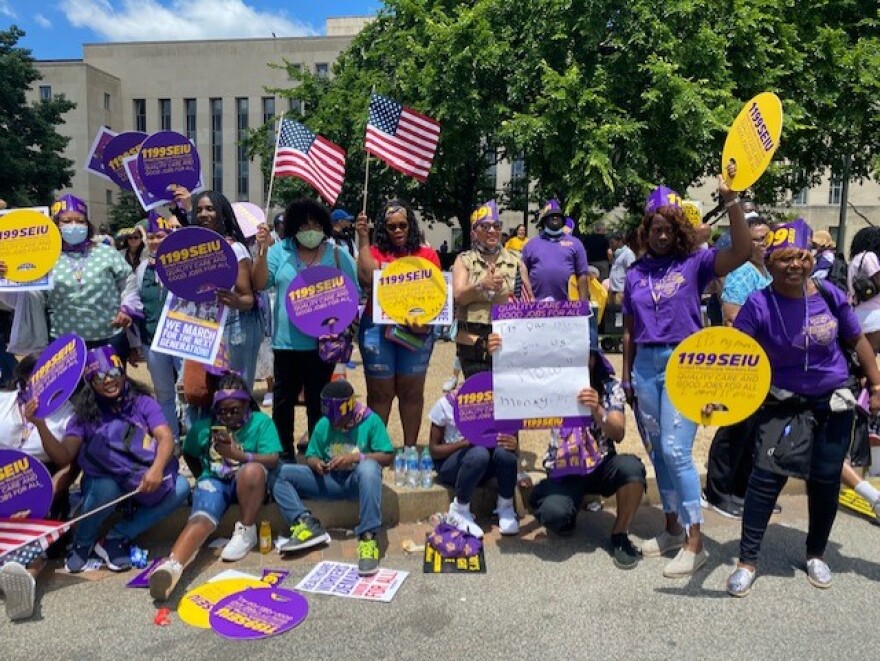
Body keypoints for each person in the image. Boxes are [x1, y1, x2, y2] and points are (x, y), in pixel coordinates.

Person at [727, 219, 880, 596]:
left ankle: (816, 554)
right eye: (784, 259)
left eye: (801, 257)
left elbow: (857, 339)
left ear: (810, 258)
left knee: (826, 480)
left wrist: (876, 384)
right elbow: (734, 351)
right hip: (782, 403)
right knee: (765, 478)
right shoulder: (759, 304)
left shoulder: (829, 295)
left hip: (835, 399)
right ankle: (747, 561)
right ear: (771, 261)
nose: (793, 265)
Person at [622, 172, 750, 578]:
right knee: (659, 452)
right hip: (644, 367)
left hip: (686, 364)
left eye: (668, 228)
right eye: (654, 228)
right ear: (646, 231)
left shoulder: (695, 263)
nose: (661, 235)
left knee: (677, 451)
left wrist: (731, 201)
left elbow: (744, 251)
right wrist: (626, 377)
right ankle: (672, 529)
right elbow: (627, 329)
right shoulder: (634, 274)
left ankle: (697, 543)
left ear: (679, 230)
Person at [33, 345, 190, 573]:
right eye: (99, 377)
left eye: (114, 373)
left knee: (182, 487)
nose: (109, 381)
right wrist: (39, 424)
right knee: (107, 486)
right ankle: (83, 542)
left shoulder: (142, 402)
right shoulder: (83, 415)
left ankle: (116, 537)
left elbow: (165, 437)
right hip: (104, 484)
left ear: (123, 373)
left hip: (140, 478)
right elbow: (63, 455)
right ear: (90, 383)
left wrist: (156, 469)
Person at [149, 374, 281, 600]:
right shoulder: (202, 428)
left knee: (253, 470)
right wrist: (203, 477)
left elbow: (272, 459)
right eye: (222, 411)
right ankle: (172, 567)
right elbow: (190, 454)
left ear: (246, 405)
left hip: (249, 486)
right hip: (216, 480)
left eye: (234, 410)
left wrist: (237, 455)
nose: (228, 416)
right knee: (201, 519)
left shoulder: (261, 422)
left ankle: (246, 531)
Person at [525, 336, 647, 569]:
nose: (580, 361)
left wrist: (596, 408)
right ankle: (547, 498)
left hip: (600, 463)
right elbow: (517, 385)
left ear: (594, 359)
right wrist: (500, 350)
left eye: (587, 355)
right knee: (554, 515)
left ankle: (619, 535)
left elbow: (618, 432)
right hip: (564, 467)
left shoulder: (609, 387)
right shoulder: (551, 384)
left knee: (632, 469)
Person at [253, 198, 359, 458]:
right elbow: (260, 283)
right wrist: (262, 250)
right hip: (286, 343)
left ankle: (317, 453)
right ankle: (284, 454)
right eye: (303, 225)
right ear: (293, 227)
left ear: (324, 226)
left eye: (315, 224)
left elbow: (353, 292)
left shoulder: (336, 254)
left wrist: (339, 320)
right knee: (282, 403)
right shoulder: (280, 251)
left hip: (322, 344)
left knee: (318, 403)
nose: (310, 230)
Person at [270, 380, 393, 575]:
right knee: (279, 472)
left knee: (369, 468)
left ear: (349, 408)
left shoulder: (371, 421)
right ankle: (305, 523)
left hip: (357, 483)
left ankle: (368, 537)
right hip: (328, 480)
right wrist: (316, 463)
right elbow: (310, 455)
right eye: (331, 417)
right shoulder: (324, 424)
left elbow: (387, 456)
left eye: (338, 418)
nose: (334, 423)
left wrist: (355, 458)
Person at [0, 194, 140, 359]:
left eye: (80, 221)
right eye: (66, 221)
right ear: (56, 225)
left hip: (109, 336)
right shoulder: (43, 258)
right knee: (70, 386)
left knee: (110, 383)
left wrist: (127, 309)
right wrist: (4, 277)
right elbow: (24, 300)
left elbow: (128, 282)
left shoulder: (107, 252)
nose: (74, 226)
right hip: (62, 342)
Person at [355, 198, 440, 447]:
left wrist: (423, 324)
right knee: (380, 393)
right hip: (377, 328)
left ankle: (410, 448)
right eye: (391, 227)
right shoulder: (375, 252)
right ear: (383, 228)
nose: (398, 230)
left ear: (411, 225)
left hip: (417, 330)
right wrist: (363, 238)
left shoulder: (426, 254)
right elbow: (367, 278)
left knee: (411, 392)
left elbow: (437, 298)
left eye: (403, 225)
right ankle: (379, 449)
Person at [703, 216, 772, 519]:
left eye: (766, 238)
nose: (762, 244)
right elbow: (732, 318)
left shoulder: (764, 271)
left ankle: (741, 490)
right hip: (743, 362)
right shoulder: (742, 273)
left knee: (753, 431)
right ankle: (718, 491)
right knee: (733, 428)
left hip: (765, 361)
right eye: (757, 239)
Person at [0, 355, 77, 620]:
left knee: (33, 545)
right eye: (35, 379)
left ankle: (26, 583)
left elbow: (66, 462)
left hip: (37, 493)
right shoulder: (3, 402)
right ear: (23, 380)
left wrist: (39, 424)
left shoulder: (67, 414)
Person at [452, 201, 533, 379]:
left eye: (496, 226)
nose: (492, 231)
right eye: (485, 226)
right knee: (479, 399)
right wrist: (480, 285)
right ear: (474, 232)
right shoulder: (465, 260)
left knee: (507, 398)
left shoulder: (516, 261)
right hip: (473, 340)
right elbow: (458, 297)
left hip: (507, 338)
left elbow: (528, 301)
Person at [427, 389, 520, 538]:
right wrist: (464, 443)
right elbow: (434, 450)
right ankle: (459, 510)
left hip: (483, 465)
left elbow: (510, 440)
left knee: (505, 454)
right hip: (451, 464)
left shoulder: (497, 402)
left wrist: (513, 443)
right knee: (479, 453)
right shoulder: (445, 405)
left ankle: (505, 507)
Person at [192, 190, 261, 389]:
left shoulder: (234, 249)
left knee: (236, 392)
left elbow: (248, 299)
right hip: (206, 325)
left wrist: (235, 300)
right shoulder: (195, 249)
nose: (203, 214)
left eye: (210, 209)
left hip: (235, 326)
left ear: (222, 213)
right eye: (199, 210)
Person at [134, 212, 181, 440]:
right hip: (151, 339)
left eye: (160, 236)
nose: (155, 241)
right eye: (151, 236)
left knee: (188, 391)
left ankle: (194, 442)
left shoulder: (183, 263)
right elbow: (136, 301)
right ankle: (171, 441)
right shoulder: (143, 269)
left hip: (181, 339)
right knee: (164, 394)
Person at [522, 200, 590, 304]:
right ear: (544, 221)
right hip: (536, 305)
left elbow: (583, 274)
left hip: (568, 306)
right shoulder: (531, 244)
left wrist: (583, 304)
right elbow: (522, 272)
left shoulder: (576, 244)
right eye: (551, 215)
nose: (555, 217)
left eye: (558, 215)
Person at [847, 226, 880, 353]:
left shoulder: (856, 258)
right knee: (870, 353)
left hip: (859, 311)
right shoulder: (869, 257)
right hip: (872, 314)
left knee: (864, 353)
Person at [608, 230, 638, 305]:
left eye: (612, 243)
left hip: (621, 292)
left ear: (620, 241)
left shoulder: (628, 254)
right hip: (613, 291)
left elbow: (632, 273)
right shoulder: (617, 255)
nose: (611, 246)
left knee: (619, 316)